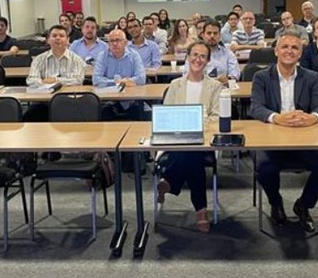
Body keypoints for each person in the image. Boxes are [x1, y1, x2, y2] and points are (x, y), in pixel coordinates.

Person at [249, 31, 318, 232]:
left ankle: (303, 205)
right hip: (272, 140)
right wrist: (277, 118)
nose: (289, 51)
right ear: (276, 51)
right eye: (285, 47)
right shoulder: (261, 77)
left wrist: (312, 117)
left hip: (304, 139)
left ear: (300, 53)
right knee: (264, 165)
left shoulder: (311, 77)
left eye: (294, 47)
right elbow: (255, 107)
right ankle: (276, 203)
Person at [158, 41, 222, 233]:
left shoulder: (215, 86)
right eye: (194, 55)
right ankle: (201, 211)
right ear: (188, 57)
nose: (198, 59)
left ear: (208, 61)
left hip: (204, 137)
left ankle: (169, 181)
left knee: (193, 151)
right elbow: (166, 114)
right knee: (192, 155)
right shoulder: (175, 85)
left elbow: (217, 116)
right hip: (176, 136)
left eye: (203, 56)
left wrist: (197, 122)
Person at [24, 25, 86, 122]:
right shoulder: (39, 59)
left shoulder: (76, 59)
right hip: (43, 102)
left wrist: (55, 81)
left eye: (61, 36)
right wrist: (43, 82)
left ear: (67, 40)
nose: (58, 38)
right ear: (48, 40)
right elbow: (31, 80)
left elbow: (78, 80)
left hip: (70, 101)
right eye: (54, 36)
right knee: (30, 115)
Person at [93, 29, 146, 121]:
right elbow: (96, 79)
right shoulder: (102, 56)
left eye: (118, 40)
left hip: (131, 99)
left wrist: (128, 81)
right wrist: (117, 82)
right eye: (111, 41)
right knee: (105, 110)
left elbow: (141, 78)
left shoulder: (134, 55)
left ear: (125, 43)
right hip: (109, 98)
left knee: (137, 109)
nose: (114, 44)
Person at [182, 20, 240, 85]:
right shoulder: (193, 54)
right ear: (203, 35)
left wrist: (228, 79)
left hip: (222, 89)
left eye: (215, 33)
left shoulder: (228, 53)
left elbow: (235, 74)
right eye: (209, 33)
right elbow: (186, 74)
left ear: (220, 35)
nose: (212, 36)